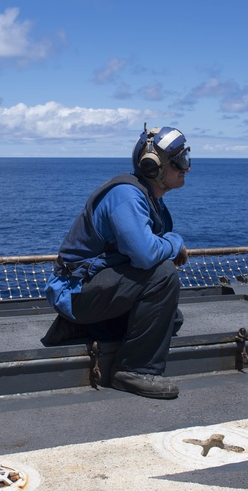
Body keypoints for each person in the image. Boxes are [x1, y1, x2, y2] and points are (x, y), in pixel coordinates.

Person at [43, 125, 190, 400]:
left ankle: (82, 327)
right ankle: (133, 371)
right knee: (164, 274)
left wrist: (169, 243)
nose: (187, 167)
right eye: (181, 161)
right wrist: (175, 242)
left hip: (92, 289)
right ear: (153, 166)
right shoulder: (126, 196)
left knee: (170, 319)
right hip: (75, 292)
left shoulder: (148, 199)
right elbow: (145, 255)